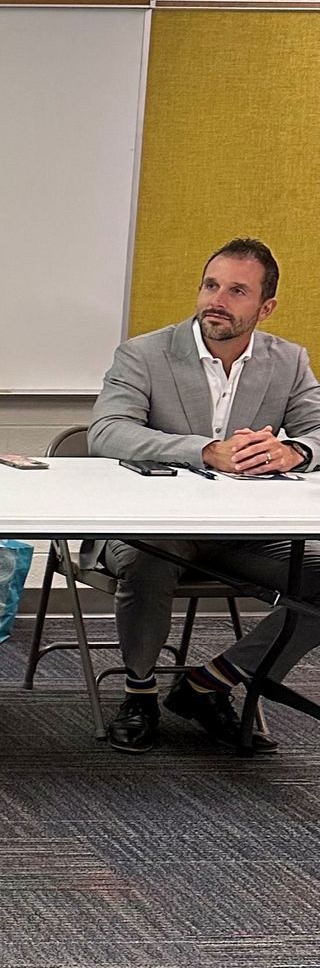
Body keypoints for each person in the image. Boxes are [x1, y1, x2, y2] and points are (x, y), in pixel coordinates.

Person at [89, 237, 320, 754]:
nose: (217, 299)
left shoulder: (288, 361)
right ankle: (139, 692)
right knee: (150, 558)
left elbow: (317, 429)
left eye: (237, 290)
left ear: (266, 307)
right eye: (211, 285)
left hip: (243, 531)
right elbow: (107, 432)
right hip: (153, 525)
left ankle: (211, 681)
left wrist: (296, 452)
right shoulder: (144, 354)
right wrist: (205, 451)